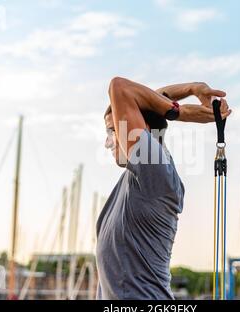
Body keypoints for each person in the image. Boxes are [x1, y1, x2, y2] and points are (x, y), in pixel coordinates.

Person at [96, 77, 232, 299]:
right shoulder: (142, 172)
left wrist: (183, 113)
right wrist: (190, 88)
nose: (108, 142)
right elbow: (148, 101)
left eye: (113, 130)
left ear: (144, 130)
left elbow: (119, 88)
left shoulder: (155, 169)